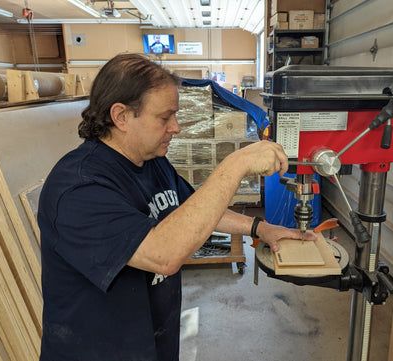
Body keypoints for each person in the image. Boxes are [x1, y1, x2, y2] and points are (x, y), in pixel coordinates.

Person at [37, 53, 315, 361]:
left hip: (152, 342)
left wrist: (261, 228)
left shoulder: (150, 162)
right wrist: (236, 164)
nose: (177, 127)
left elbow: (194, 210)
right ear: (121, 116)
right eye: (164, 117)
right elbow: (163, 255)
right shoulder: (79, 188)